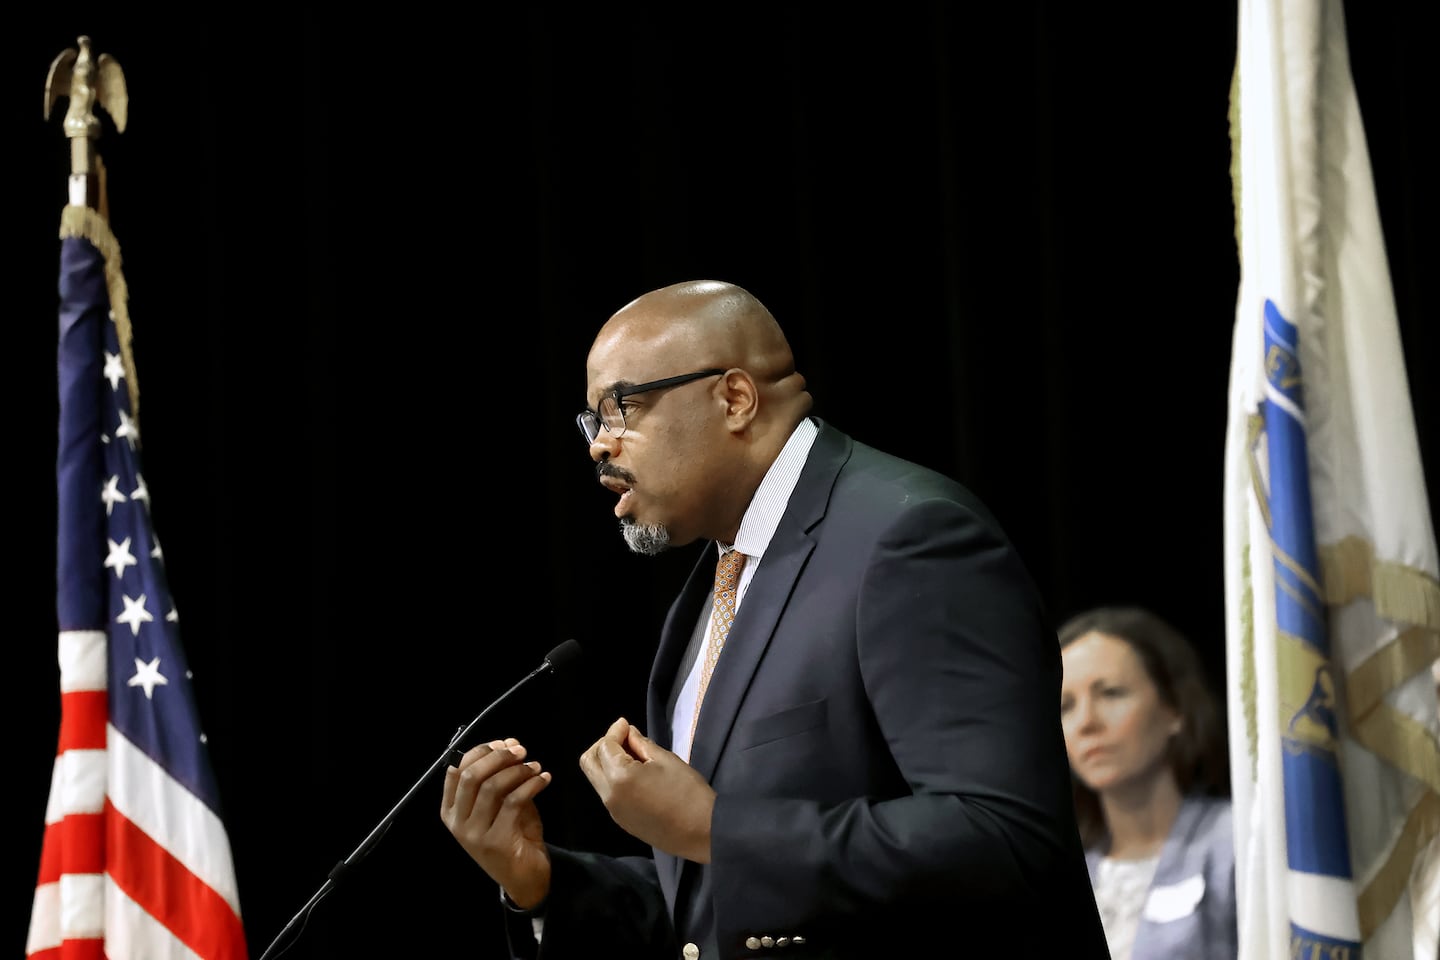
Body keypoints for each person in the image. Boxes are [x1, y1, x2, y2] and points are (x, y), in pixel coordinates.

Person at [442, 279, 1110, 958]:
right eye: (593, 421)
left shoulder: (909, 537)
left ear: (735, 398)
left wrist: (718, 829)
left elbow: (1005, 840)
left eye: (621, 408)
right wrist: (543, 883)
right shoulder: (714, 585)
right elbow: (719, 916)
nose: (598, 446)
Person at [1058, 605, 1237, 960]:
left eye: (1111, 693)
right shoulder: (1058, 879)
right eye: (1065, 706)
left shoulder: (1236, 841)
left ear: (1174, 709)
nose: (1086, 722)